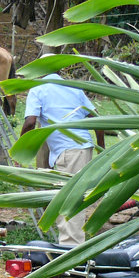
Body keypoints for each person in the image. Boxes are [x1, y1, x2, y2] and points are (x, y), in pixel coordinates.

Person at [21, 72, 106, 246]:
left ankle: (71, 251)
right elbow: (97, 119)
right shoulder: (73, 88)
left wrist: (20, 150)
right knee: (68, 201)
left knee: (69, 203)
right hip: (83, 148)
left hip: (70, 152)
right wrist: (101, 148)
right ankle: (71, 248)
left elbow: (30, 122)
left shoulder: (38, 89)